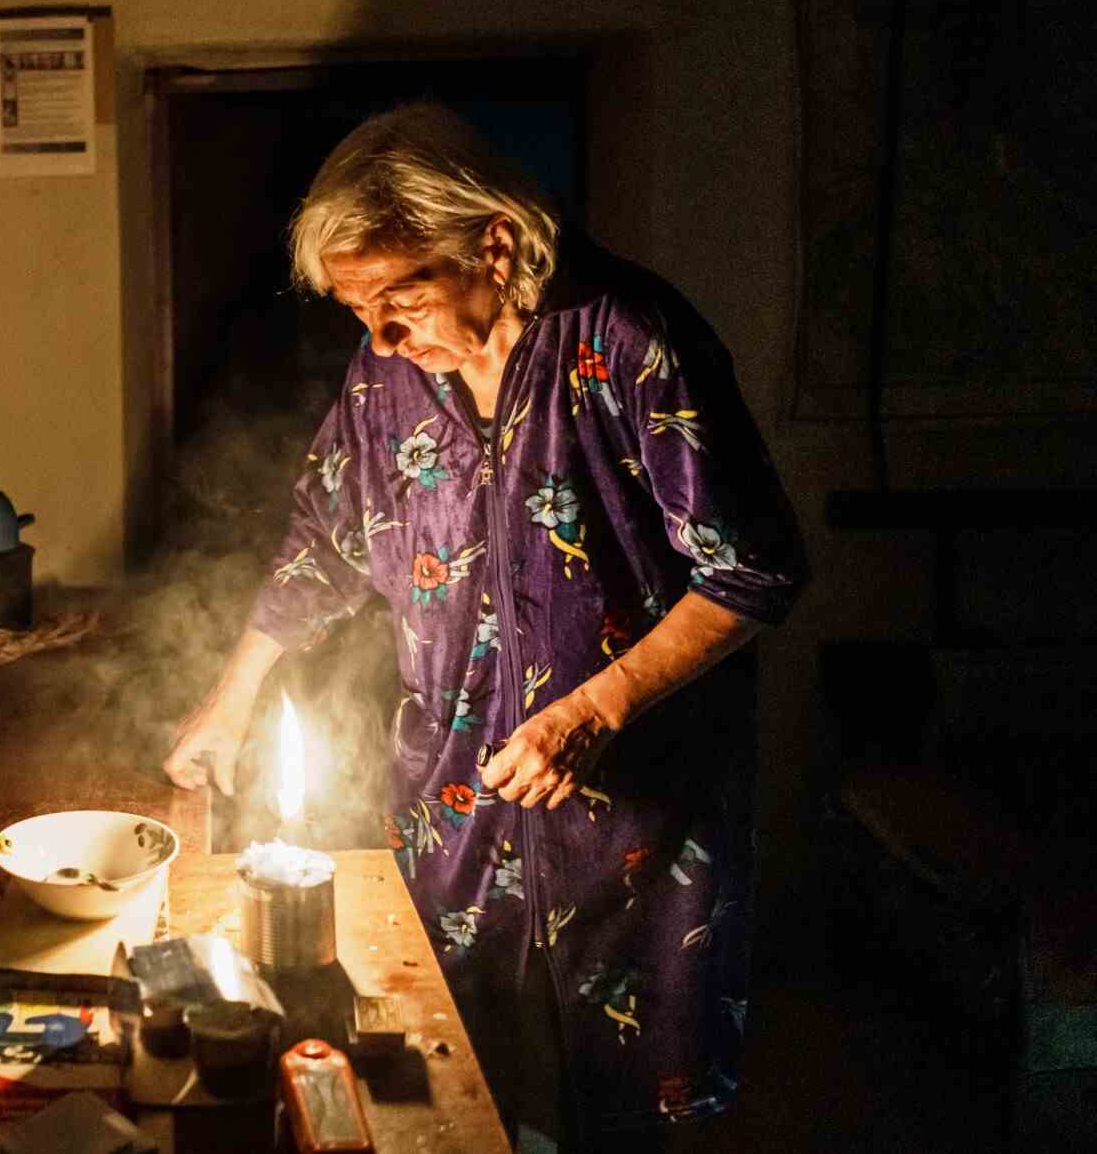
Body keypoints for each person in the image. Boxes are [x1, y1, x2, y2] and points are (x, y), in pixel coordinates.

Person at [163, 102, 807, 1151]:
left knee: (616, 1113)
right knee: (454, 1095)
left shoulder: (631, 342)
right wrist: (228, 706)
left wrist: (595, 707)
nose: (373, 335)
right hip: (454, 805)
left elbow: (752, 570)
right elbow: (321, 546)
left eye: (394, 295)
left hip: (630, 821)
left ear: (491, 244)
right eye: (352, 306)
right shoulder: (388, 375)